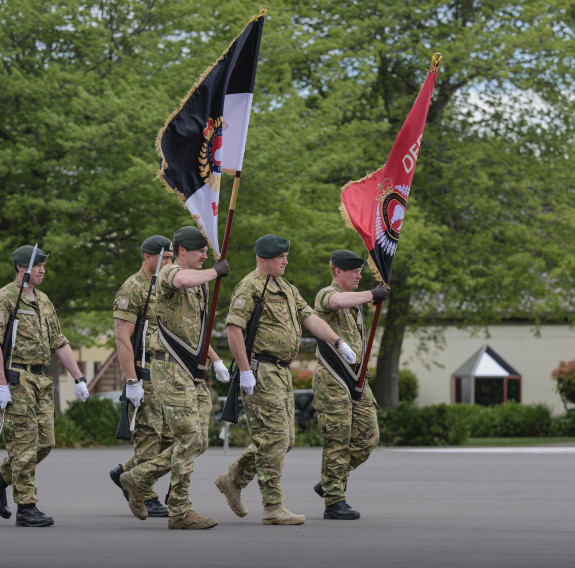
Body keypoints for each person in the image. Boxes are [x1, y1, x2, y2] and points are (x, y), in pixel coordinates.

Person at [214, 234, 357, 526]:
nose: (286, 261)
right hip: (261, 369)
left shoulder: (286, 288)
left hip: (281, 370)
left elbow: (310, 317)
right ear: (265, 258)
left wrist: (338, 341)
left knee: (284, 439)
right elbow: (233, 329)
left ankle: (233, 479)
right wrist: (244, 370)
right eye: (281, 257)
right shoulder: (250, 286)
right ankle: (272, 507)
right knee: (274, 439)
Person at [119, 226, 229, 530]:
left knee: (200, 440)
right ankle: (180, 510)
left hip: (194, 371)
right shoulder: (169, 274)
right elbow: (180, 279)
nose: (206, 256)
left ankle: (137, 477)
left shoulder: (202, 283)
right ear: (181, 251)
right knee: (188, 438)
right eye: (200, 251)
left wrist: (214, 360)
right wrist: (215, 272)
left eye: (207, 252)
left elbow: (196, 331)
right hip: (169, 369)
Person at [0, 245, 90, 527]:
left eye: (43, 266)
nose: (42, 271)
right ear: (20, 267)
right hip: (17, 379)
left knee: (46, 442)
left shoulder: (44, 301)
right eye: (37, 266)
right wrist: (1, 384)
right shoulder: (6, 298)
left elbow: (58, 342)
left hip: (40, 380)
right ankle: (27, 507)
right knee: (24, 446)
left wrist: (79, 378)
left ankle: (1, 477)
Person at [312, 249, 389, 520]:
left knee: (369, 437)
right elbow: (335, 301)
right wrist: (371, 295)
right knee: (337, 440)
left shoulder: (354, 303)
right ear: (337, 271)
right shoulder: (326, 293)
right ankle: (334, 502)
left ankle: (330, 480)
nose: (359, 275)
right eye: (353, 271)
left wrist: (367, 297)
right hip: (333, 379)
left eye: (360, 271)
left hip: (356, 378)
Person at [109, 235, 174, 517]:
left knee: (172, 438)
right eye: (164, 258)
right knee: (150, 435)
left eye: (171, 258)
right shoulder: (133, 288)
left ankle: (125, 472)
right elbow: (123, 339)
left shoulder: (167, 286)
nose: (169, 263)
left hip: (168, 373)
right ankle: (145, 494)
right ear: (147, 257)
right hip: (145, 372)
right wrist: (132, 380)